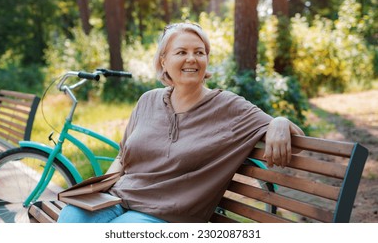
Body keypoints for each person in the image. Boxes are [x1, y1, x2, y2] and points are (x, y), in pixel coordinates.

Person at [58, 22, 304, 223]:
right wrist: (102, 192)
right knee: (71, 218)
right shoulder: (148, 100)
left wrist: (280, 121)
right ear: (163, 61)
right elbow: (123, 157)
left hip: (166, 216)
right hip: (120, 198)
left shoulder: (229, 107)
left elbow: (298, 140)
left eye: (199, 52)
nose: (191, 59)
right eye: (181, 52)